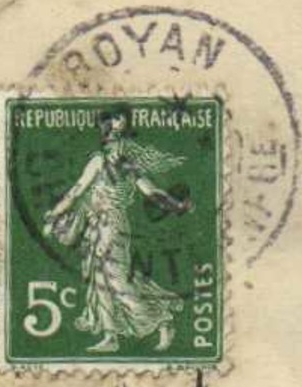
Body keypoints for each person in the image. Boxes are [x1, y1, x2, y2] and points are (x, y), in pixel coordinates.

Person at [43, 107, 194, 353]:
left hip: (112, 225)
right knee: (101, 281)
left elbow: (77, 192)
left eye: (121, 143)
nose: (119, 149)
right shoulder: (112, 162)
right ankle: (110, 336)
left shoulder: (114, 163)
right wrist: (176, 205)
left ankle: (162, 321)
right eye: (116, 141)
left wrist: (54, 213)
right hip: (98, 224)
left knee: (119, 283)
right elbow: (79, 192)